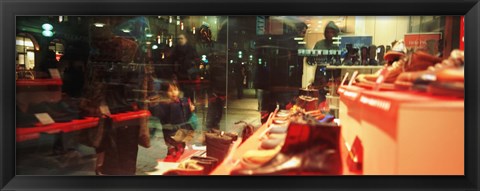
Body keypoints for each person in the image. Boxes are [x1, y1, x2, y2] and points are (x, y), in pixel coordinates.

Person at [149, 82, 195, 161]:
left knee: (181, 149)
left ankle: (175, 162)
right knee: (172, 151)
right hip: (170, 134)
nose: (173, 93)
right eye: (170, 91)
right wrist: (153, 105)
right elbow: (158, 114)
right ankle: (170, 162)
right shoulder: (163, 104)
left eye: (175, 89)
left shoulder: (182, 101)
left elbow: (188, 114)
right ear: (165, 93)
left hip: (182, 131)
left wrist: (191, 108)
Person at [312, 21, 341, 103]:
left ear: (335, 33)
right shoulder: (319, 44)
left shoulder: (335, 46)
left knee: (331, 97)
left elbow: (337, 63)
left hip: (331, 74)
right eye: (327, 32)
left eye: (332, 32)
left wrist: (337, 79)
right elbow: (313, 58)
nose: (329, 34)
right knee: (319, 96)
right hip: (320, 73)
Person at [168, 33, 199, 103]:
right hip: (180, 75)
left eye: (181, 38)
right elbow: (172, 61)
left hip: (189, 75)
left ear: (186, 39)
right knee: (180, 93)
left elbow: (196, 60)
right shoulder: (176, 49)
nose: (180, 40)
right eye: (178, 39)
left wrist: (192, 71)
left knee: (190, 93)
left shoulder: (191, 49)